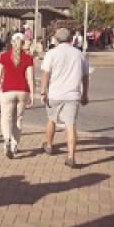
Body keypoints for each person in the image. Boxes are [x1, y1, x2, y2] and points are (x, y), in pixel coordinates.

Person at [40, 28, 90, 168]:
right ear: (71, 39)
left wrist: (43, 91)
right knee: (71, 125)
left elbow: (45, 74)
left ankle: (49, 146)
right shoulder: (79, 54)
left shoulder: (52, 53)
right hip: (73, 94)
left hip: (55, 94)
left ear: (56, 39)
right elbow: (85, 76)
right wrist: (85, 94)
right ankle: (71, 157)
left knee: (51, 120)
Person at [0, 33, 35, 159]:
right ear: (22, 44)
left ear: (11, 42)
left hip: (7, 91)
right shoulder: (28, 58)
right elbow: (30, 78)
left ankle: (6, 140)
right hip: (23, 91)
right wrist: (32, 94)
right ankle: (15, 145)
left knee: (6, 118)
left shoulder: (4, 56)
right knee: (18, 120)